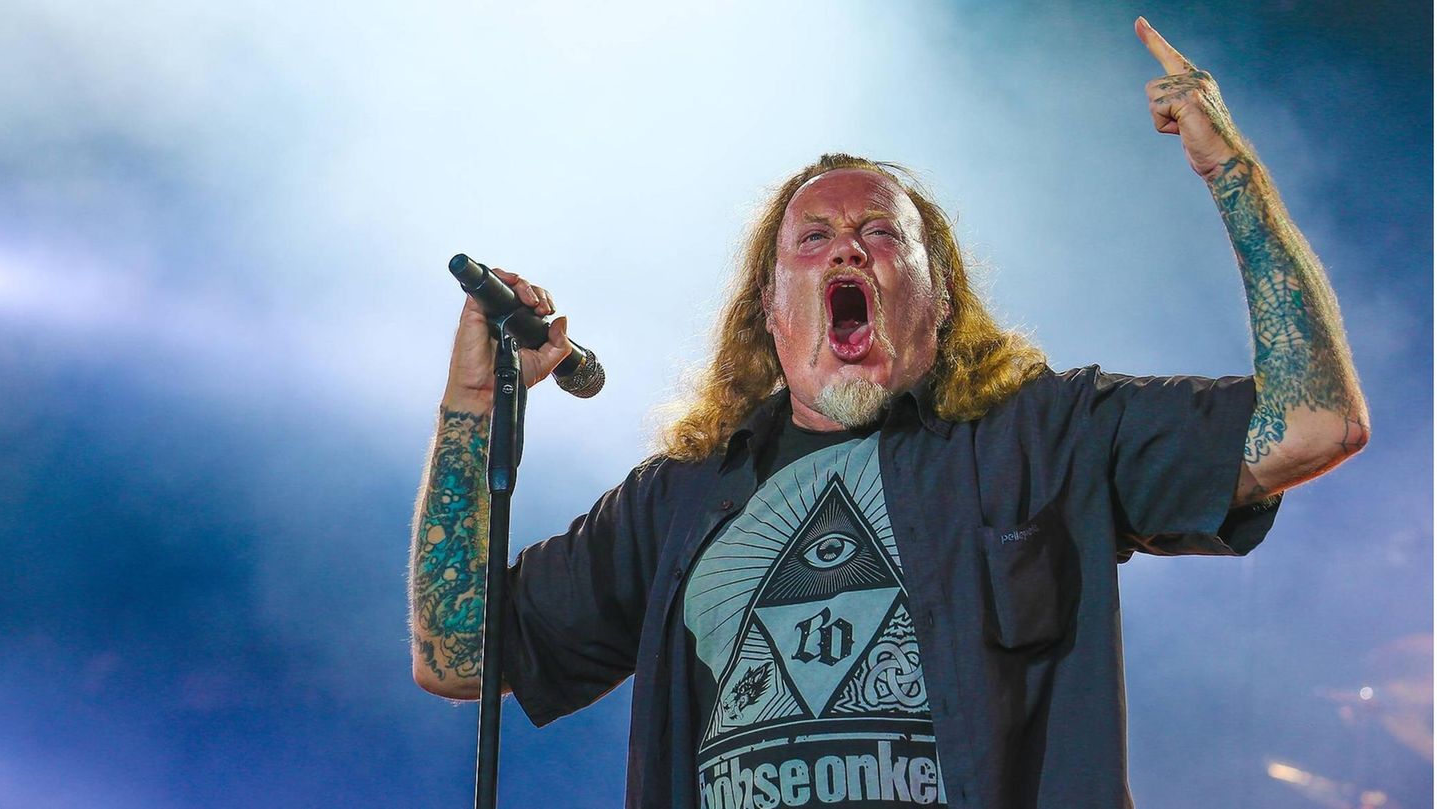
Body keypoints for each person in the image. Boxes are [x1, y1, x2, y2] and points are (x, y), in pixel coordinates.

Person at [408, 18, 1368, 809]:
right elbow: (455, 652)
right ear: (770, 311)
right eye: (814, 239)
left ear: (940, 300)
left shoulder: (1047, 436)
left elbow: (1314, 425)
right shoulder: (677, 503)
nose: (847, 255)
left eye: (880, 234)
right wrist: (474, 402)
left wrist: (1233, 176)